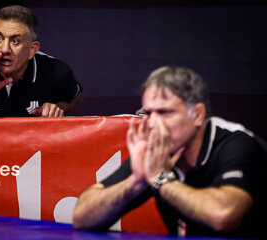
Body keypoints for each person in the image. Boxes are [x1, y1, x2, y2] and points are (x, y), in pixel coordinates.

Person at [73, 66, 267, 238]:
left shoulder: (237, 143)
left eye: (165, 112)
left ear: (198, 115)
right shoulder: (157, 152)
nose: (153, 123)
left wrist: (160, 178)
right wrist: (136, 182)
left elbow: (223, 215)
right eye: (148, 113)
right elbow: (82, 216)